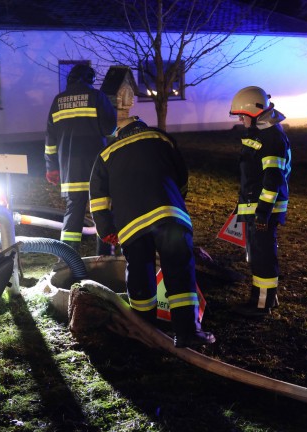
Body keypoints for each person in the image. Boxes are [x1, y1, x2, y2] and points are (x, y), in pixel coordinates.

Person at [89, 117, 216, 348]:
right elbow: (181, 176)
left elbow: (97, 200)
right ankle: (187, 332)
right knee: (179, 269)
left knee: (139, 271)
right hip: (169, 216)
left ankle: (143, 329)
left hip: (131, 225)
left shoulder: (106, 154)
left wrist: (106, 230)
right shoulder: (160, 138)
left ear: (119, 133)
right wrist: (176, 202)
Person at [229, 86, 292, 318]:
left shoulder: (271, 137)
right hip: (257, 208)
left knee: (263, 258)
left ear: (255, 113)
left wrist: (263, 212)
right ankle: (267, 298)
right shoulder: (263, 134)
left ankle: (261, 305)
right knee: (258, 255)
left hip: (264, 210)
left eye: (242, 115)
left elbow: (273, 178)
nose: (240, 119)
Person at [45, 64, 117, 255]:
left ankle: (68, 259)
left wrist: (51, 167)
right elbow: (109, 128)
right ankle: (103, 256)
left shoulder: (58, 100)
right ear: (91, 79)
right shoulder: (96, 97)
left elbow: (50, 139)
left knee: (73, 211)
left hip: (70, 168)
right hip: (96, 166)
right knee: (101, 210)